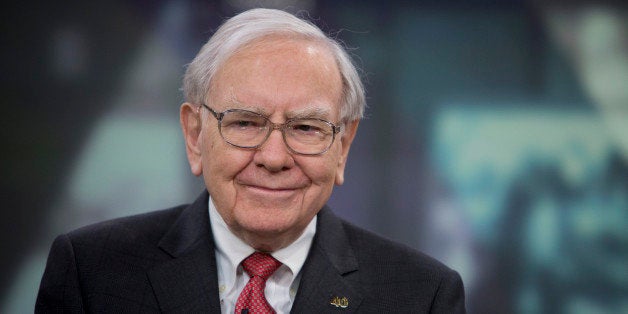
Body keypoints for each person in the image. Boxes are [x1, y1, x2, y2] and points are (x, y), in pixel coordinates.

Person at [36, 8, 465, 313]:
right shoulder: (90, 273)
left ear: (343, 146)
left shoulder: (421, 295)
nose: (274, 157)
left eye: (305, 128)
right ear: (194, 135)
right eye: (244, 123)